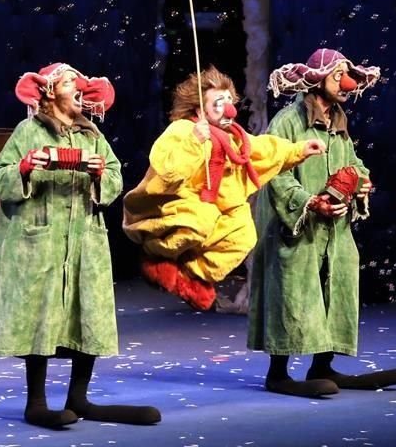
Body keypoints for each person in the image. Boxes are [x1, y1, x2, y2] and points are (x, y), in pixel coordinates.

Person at [0, 62, 160, 428]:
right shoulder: (28, 131)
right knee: (41, 314)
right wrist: (26, 167)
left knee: (85, 309)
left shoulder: (92, 135)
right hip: (40, 243)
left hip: (84, 242)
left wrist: (99, 174)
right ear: (49, 93)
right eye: (69, 83)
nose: (79, 89)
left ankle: (79, 397)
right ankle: (36, 402)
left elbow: (114, 176)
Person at [247, 48, 396, 397]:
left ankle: (322, 365)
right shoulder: (288, 121)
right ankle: (277, 373)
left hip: (333, 230)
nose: (346, 83)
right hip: (295, 229)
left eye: (347, 76)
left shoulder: (338, 122)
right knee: (292, 291)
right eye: (338, 76)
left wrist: (362, 182)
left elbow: (353, 163)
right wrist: (309, 202)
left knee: (334, 285)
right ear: (317, 80)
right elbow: (274, 172)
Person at [123, 65, 325, 311]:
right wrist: (194, 142)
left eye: (229, 101)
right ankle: (158, 256)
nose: (229, 108)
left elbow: (263, 149)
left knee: (244, 234)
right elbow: (167, 171)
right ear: (200, 109)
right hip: (176, 203)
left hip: (217, 207)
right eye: (219, 103)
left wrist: (299, 150)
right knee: (199, 220)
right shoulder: (183, 130)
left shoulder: (233, 137)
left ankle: (191, 274)